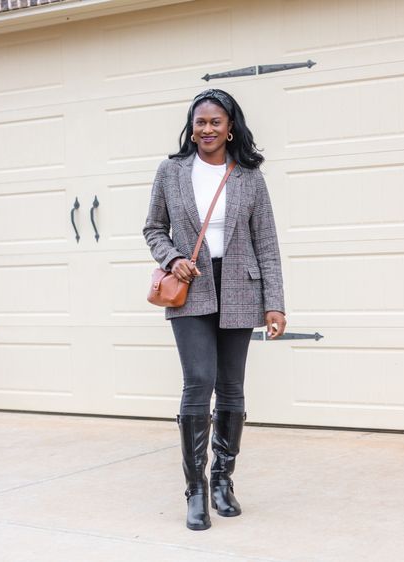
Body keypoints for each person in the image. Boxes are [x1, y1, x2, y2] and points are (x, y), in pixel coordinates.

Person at [143, 88, 286, 531]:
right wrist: (172, 258)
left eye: (215, 122)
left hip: (241, 287)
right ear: (192, 127)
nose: (206, 129)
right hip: (192, 289)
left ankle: (223, 480)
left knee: (231, 387)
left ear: (230, 128)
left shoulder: (248, 176)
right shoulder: (171, 171)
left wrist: (275, 304)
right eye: (199, 122)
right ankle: (196, 490)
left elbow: (266, 242)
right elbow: (153, 227)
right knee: (197, 383)